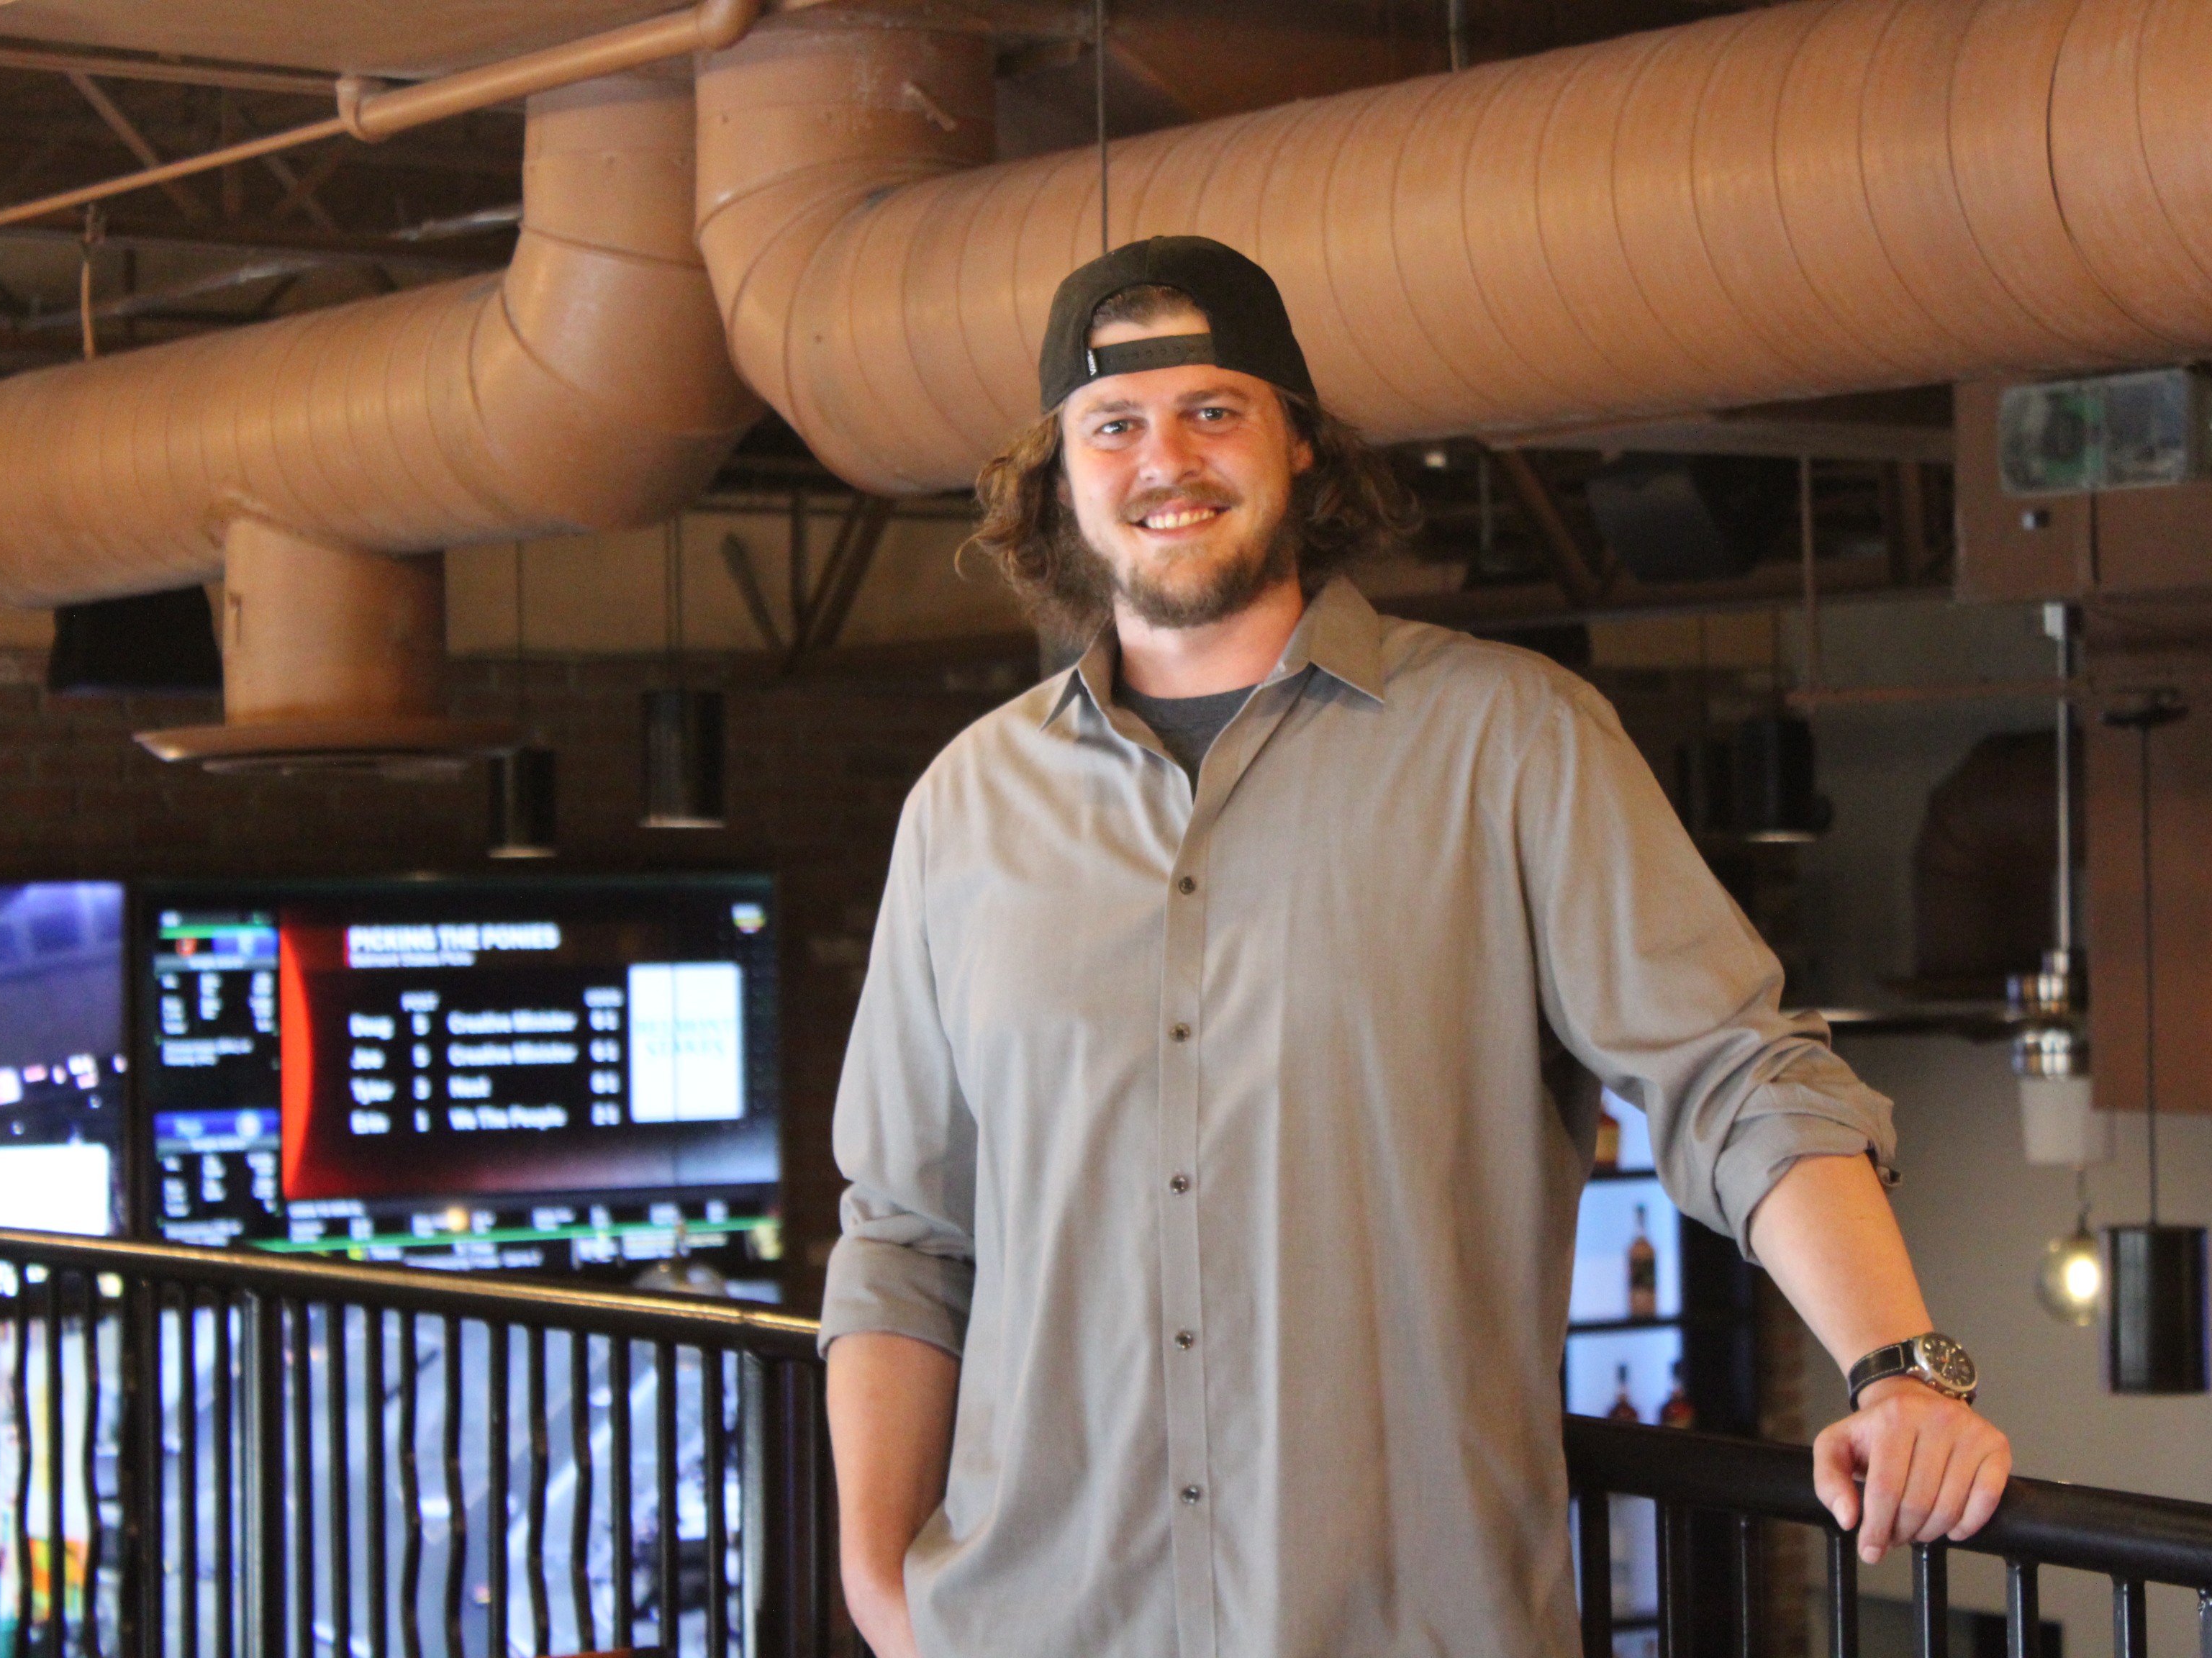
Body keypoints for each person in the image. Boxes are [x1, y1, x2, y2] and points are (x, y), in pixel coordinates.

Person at [818, 235, 2010, 1658]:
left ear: (1300, 444)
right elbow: (906, 1234)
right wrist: (880, 1586)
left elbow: (1734, 1075)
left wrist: (1900, 1367)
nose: (1166, 460)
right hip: (1029, 1627)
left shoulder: (1514, 741)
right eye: (1114, 424)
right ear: (1059, 474)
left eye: (1213, 410)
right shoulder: (966, 804)